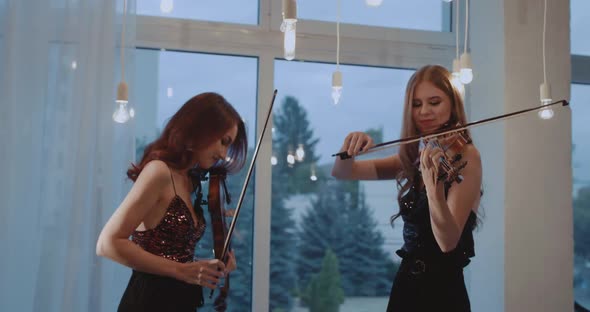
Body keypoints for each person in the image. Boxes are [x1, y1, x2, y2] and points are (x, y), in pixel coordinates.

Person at [331, 65, 482, 312]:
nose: (424, 111)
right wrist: (350, 147)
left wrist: (434, 190)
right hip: (406, 288)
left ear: (453, 105)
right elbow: (343, 173)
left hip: (443, 294)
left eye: (434, 102)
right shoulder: (414, 158)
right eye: (416, 104)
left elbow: (448, 242)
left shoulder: (467, 156)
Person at [96, 92, 248, 311]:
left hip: (180, 302)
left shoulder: (190, 181)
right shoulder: (159, 171)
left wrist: (207, 268)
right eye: (223, 142)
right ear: (202, 129)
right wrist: (183, 271)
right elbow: (107, 243)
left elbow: (175, 253)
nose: (224, 155)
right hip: (149, 303)